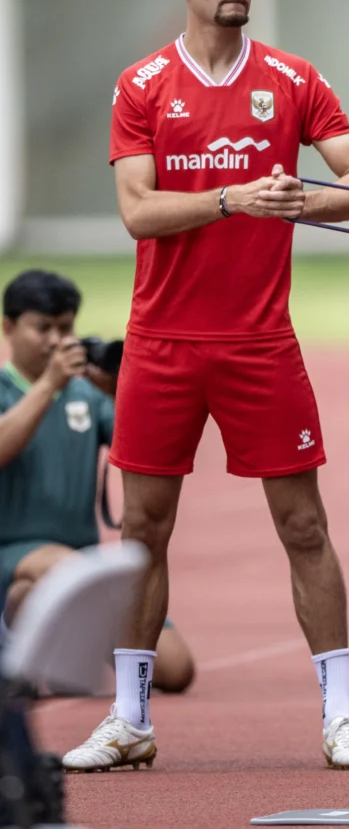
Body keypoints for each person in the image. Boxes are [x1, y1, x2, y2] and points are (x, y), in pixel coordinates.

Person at [64, 0, 349, 773]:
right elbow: (137, 212)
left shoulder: (292, 78)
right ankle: (129, 719)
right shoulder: (142, 86)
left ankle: (341, 718)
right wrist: (231, 198)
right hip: (163, 343)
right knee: (142, 529)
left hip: (259, 344)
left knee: (304, 526)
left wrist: (297, 201)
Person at [0, 270, 194, 693]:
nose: (56, 340)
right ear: (9, 327)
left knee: (176, 668)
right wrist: (49, 385)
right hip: (11, 552)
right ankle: (42, 643)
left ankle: (37, 636)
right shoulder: (6, 389)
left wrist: (118, 391)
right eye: (43, 328)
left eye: (66, 327)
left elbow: (145, 446)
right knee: (58, 568)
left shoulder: (85, 395)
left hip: (79, 559)